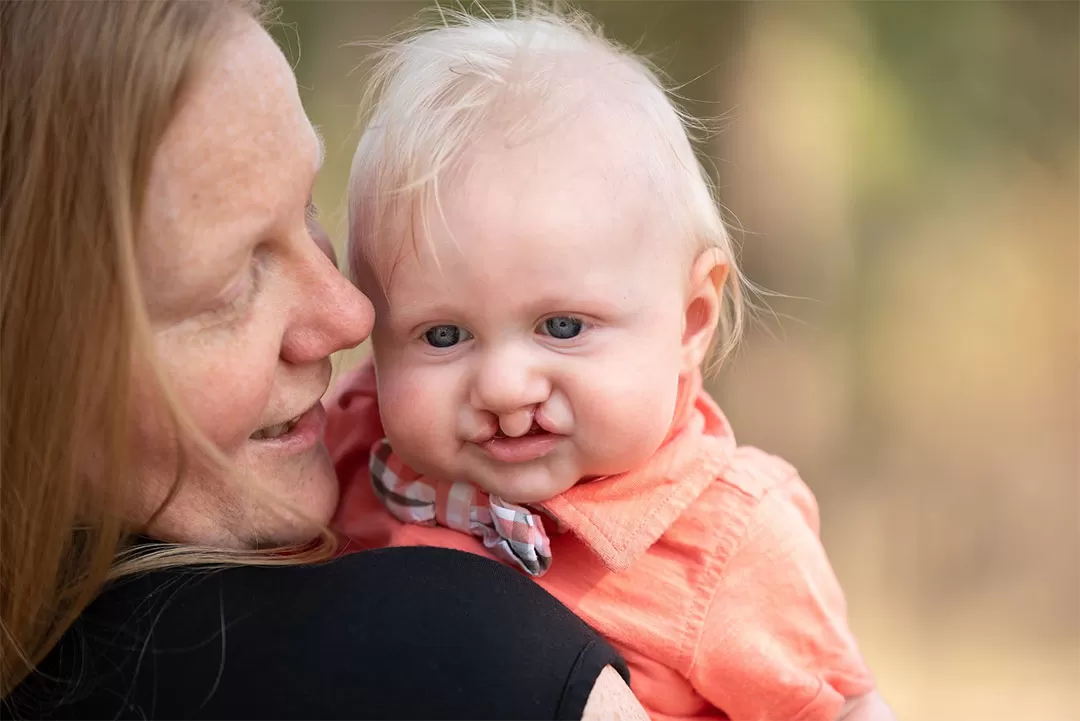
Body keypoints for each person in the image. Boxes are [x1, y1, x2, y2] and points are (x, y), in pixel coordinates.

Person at [0, 2, 647, 719]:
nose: (352, 315)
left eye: (308, 207)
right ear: (29, 356)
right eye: (234, 282)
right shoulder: (466, 656)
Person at [328, 8, 894, 721]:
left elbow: (847, 711)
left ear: (690, 320)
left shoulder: (725, 544)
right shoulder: (351, 450)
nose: (504, 386)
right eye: (442, 336)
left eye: (561, 326)